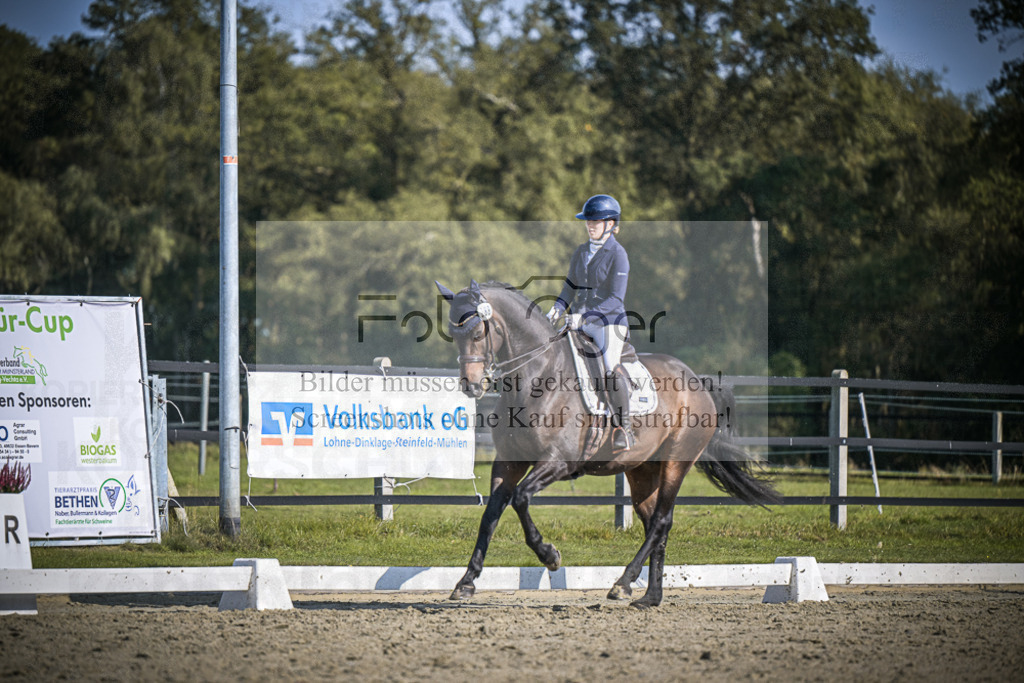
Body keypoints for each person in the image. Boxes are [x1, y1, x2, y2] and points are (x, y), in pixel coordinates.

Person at [547, 194, 635, 451]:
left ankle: (624, 428)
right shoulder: (581, 251)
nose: (590, 225)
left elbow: (616, 298)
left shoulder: (618, 254)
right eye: (588, 221)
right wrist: (557, 307)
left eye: (596, 221)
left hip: (609, 322)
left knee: (609, 367)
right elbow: (570, 287)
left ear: (611, 224)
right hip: (578, 320)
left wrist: (583, 317)